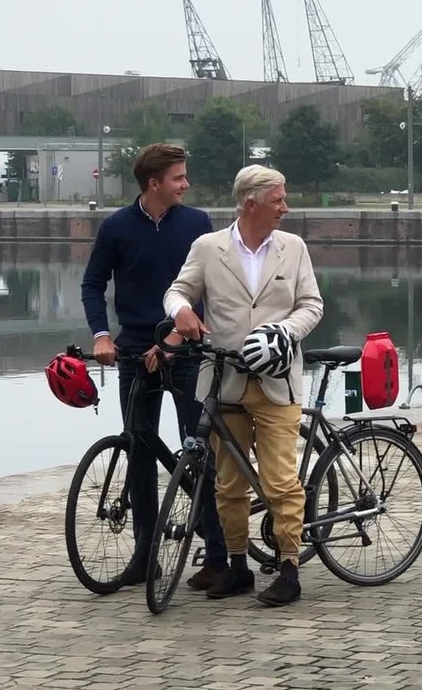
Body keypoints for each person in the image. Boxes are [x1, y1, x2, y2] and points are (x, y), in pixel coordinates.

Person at [163, 164, 323, 607]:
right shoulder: (208, 248)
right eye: (278, 200)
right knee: (228, 485)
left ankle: (289, 569)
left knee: (280, 482)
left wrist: (285, 331)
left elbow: (312, 305)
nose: (285, 207)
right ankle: (237, 567)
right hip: (224, 381)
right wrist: (181, 311)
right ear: (251, 203)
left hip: (277, 382)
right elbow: (177, 291)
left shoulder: (293, 248)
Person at [80, 143, 229, 590]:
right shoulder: (116, 227)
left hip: (185, 350)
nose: (186, 184)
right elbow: (92, 283)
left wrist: (174, 340)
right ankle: (146, 556)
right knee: (139, 451)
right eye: (179, 177)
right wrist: (101, 335)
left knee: (198, 450)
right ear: (154, 183)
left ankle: (217, 555)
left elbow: (204, 290)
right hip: (133, 352)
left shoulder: (196, 223)